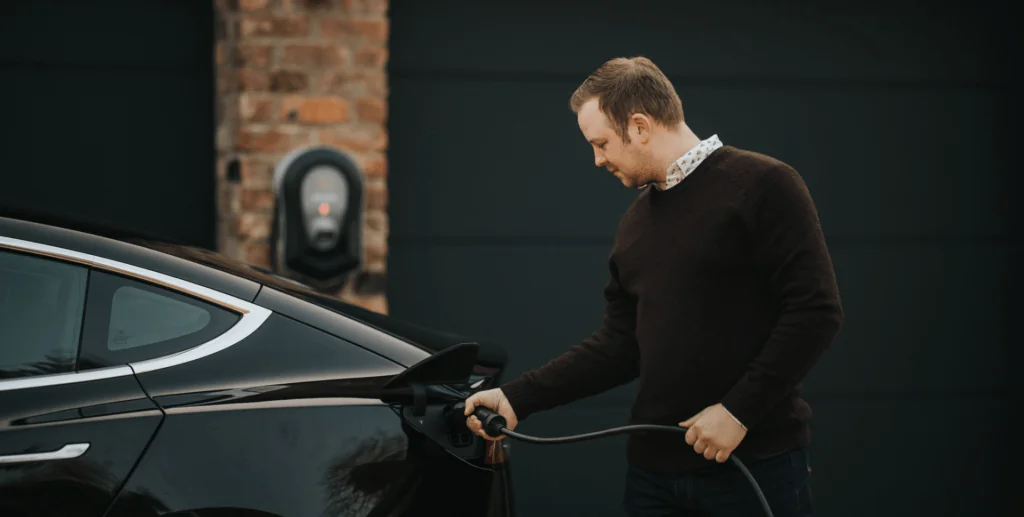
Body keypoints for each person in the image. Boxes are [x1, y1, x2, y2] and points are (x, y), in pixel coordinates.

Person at [463, 56, 843, 516]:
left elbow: (815, 310)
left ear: (639, 126)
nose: (597, 159)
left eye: (601, 143)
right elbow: (620, 345)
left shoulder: (764, 185)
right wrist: (516, 397)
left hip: (755, 468)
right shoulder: (635, 223)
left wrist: (739, 411)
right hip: (653, 481)